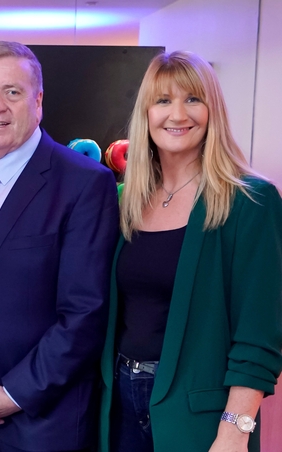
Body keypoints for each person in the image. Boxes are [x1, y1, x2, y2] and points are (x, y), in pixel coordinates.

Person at [0, 40, 119, 452]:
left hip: (44, 428)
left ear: (38, 100)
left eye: (12, 92)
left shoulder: (84, 183)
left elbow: (85, 315)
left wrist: (11, 395)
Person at [98, 51, 282, 452]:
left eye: (192, 99)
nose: (177, 114)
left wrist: (236, 429)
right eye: (163, 101)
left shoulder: (250, 201)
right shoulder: (123, 201)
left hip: (202, 419)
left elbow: (259, 334)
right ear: (146, 113)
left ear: (212, 110)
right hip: (120, 408)